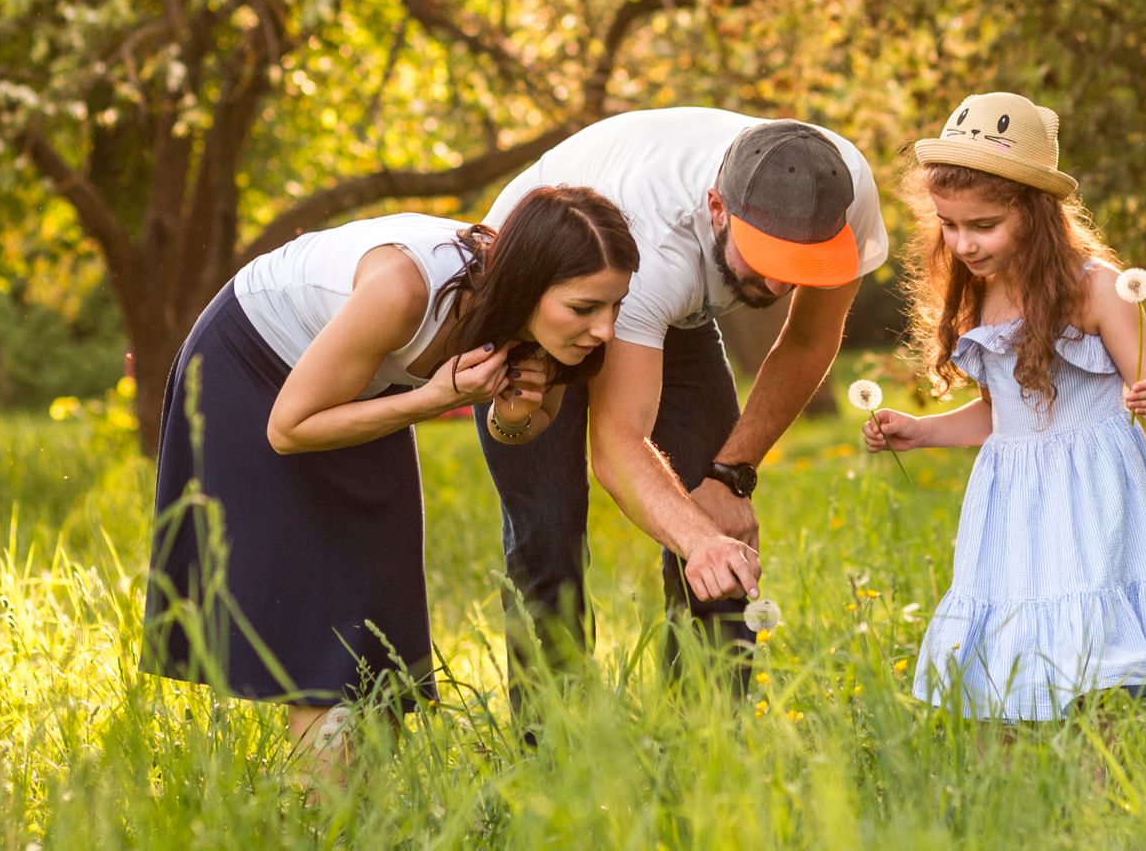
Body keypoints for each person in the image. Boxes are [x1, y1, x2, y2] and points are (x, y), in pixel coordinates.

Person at [141, 185, 761, 758]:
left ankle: (361, 821)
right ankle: (315, 823)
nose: (606, 329)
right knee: (325, 610)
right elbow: (290, 428)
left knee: (378, 602)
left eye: (615, 305)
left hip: (363, 386)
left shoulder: (542, 325)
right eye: (584, 307)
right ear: (530, 286)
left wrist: (514, 410)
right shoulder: (405, 291)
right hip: (259, 366)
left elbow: (517, 427)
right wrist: (433, 400)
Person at [476, 108, 889, 680]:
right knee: (549, 531)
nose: (777, 285)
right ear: (717, 207)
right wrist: (699, 540)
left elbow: (809, 338)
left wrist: (729, 476)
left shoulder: (841, 191)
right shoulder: (655, 244)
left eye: (803, 265)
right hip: (546, 302)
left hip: (675, 312)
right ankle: (553, 744)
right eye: (767, 258)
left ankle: (711, 738)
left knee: (721, 524)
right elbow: (619, 445)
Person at [862, 91, 1146, 720]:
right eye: (949, 224)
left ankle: (1097, 780)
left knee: (1088, 641)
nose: (963, 244)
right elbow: (1004, 413)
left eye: (983, 225)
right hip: (1012, 492)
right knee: (1010, 630)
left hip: (1092, 487)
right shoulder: (985, 293)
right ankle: (1011, 782)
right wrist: (923, 431)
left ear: (1035, 213)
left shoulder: (1100, 288)